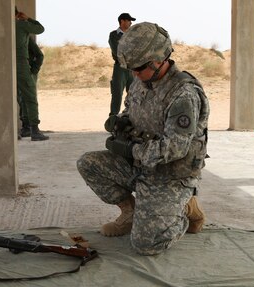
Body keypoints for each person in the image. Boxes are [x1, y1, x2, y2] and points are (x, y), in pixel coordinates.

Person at [77, 22, 210, 255]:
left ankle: (186, 208)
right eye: (131, 69)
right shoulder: (141, 81)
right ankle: (130, 213)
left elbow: (176, 148)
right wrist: (121, 121)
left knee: (147, 245)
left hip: (169, 175)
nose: (134, 74)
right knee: (88, 164)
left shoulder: (183, 95)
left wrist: (132, 150)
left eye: (138, 68)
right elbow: (134, 111)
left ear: (158, 60)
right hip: (140, 166)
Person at [15, 8, 49, 141]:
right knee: (30, 96)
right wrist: (27, 18)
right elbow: (40, 29)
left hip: (6, 64)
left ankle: (25, 128)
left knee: (20, 97)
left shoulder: (3, 28)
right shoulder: (21, 25)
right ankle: (34, 130)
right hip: (21, 64)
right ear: (17, 14)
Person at [108, 13, 135, 116]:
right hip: (120, 68)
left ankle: (131, 116)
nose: (130, 23)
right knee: (117, 94)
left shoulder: (133, 35)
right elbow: (117, 51)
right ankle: (113, 118)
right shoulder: (114, 35)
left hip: (132, 68)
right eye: (129, 20)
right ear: (122, 21)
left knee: (133, 94)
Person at [18, 37, 44, 138]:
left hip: (28, 73)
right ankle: (26, 127)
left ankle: (31, 128)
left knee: (28, 99)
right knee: (20, 99)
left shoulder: (26, 39)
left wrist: (33, 70)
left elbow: (40, 55)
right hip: (18, 72)